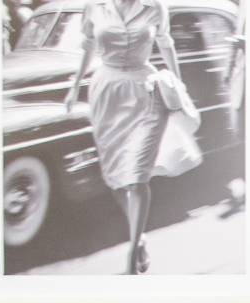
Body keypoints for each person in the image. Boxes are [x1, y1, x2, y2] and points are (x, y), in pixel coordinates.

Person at [65, 0, 197, 274]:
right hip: (106, 94)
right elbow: (88, 45)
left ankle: (131, 260)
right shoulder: (94, 6)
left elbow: (166, 43)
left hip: (144, 92)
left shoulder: (155, 6)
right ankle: (140, 237)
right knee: (115, 178)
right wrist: (74, 86)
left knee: (137, 176)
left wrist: (178, 83)